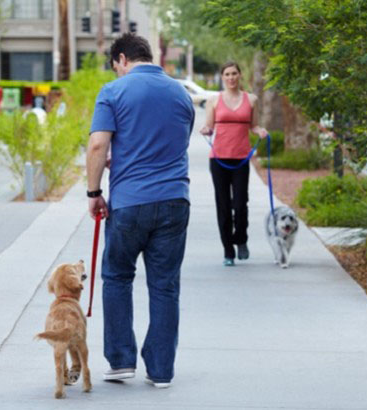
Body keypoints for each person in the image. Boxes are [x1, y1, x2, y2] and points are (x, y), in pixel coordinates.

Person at [86, 33, 195, 388]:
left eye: (115, 66)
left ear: (121, 59)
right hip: (175, 200)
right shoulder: (181, 93)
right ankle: (161, 370)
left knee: (117, 276)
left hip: (131, 202)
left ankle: (120, 361)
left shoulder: (113, 92)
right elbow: (173, 143)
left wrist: (93, 192)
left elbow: (98, 144)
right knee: (165, 286)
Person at [200, 62, 268, 266]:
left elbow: (254, 125)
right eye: (227, 74)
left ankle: (241, 239)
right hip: (219, 159)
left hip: (241, 158)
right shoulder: (214, 100)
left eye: (234, 74)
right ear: (222, 77)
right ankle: (228, 251)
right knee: (223, 205)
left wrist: (260, 131)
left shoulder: (251, 99)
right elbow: (209, 126)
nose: (231, 78)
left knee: (240, 204)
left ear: (240, 75)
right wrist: (205, 129)